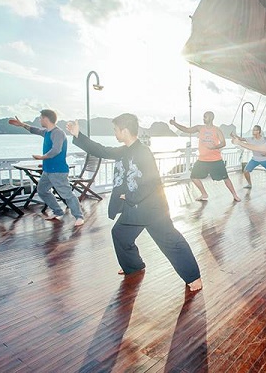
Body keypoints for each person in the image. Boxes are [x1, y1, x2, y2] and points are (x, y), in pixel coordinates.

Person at [66, 114, 202, 291]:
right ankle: (134, 265)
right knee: (120, 234)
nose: (114, 133)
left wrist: (128, 196)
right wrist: (78, 135)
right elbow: (101, 150)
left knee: (171, 241)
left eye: (115, 130)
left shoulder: (143, 152)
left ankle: (194, 277)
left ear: (124, 130)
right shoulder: (124, 150)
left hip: (152, 209)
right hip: (135, 208)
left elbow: (152, 181)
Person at [9, 110, 84, 227]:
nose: (39, 120)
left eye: (40, 118)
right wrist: (22, 124)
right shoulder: (47, 132)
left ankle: (79, 217)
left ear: (46, 119)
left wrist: (42, 157)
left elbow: (56, 149)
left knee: (67, 195)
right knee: (42, 190)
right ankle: (58, 212)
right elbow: (35, 130)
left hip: (58, 170)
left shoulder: (58, 133)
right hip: (48, 170)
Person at [169, 111, 240, 202]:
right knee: (194, 177)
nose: (203, 118)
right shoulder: (200, 128)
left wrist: (214, 147)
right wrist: (175, 124)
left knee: (226, 179)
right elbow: (186, 129)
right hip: (202, 160)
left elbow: (223, 143)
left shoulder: (217, 130)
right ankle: (204, 194)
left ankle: (235, 195)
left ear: (211, 118)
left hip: (216, 160)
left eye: (205, 117)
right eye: (203, 117)